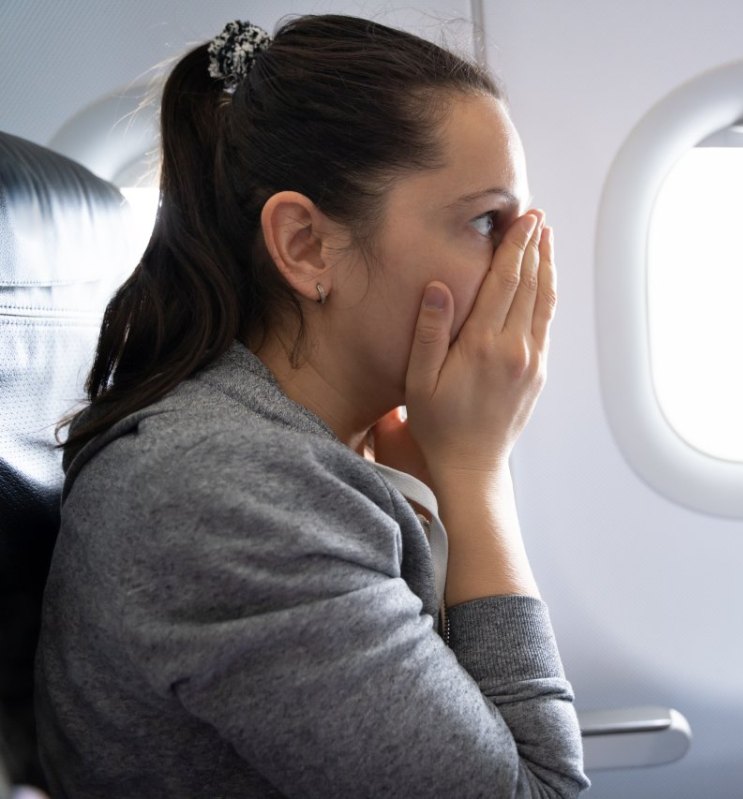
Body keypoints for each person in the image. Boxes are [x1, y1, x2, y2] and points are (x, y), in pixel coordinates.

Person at [34, 15, 588, 798]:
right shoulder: (221, 494)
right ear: (304, 245)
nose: (524, 267)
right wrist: (476, 472)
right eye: (486, 221)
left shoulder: (319, 449)